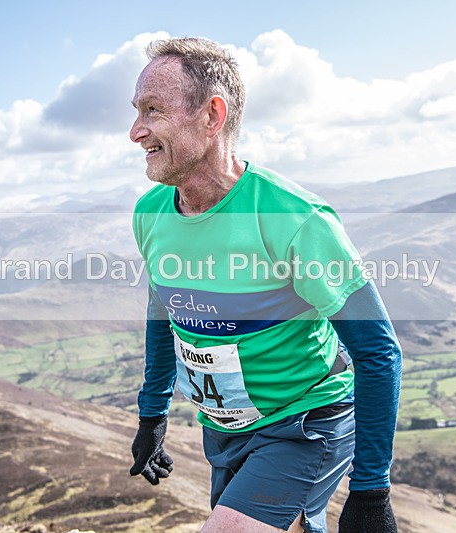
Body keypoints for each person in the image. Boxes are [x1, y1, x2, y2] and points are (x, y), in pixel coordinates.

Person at [127, 36, 402, 533]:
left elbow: (379, 352)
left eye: (152, 110)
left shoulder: (296, 220)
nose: (134, 131)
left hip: (305, 422)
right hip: (225, 433)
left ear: (212, 116)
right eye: (136, 111)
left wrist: (371, 491)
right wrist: (152, 415)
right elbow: (163, 316)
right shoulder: (150, 215)